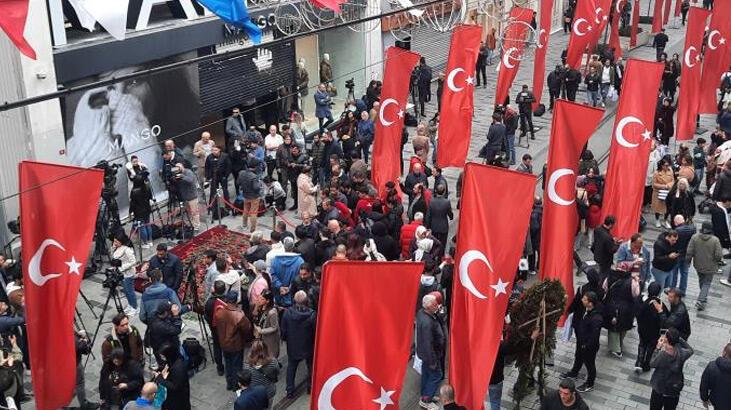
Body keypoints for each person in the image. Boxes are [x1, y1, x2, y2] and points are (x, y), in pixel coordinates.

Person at [561, 291, 603, 392]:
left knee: (590, 365)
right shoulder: (587, 310)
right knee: (579, 357)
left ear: (590, 303)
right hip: (582, 343)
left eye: (584, 299)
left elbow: (594, 336)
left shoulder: (596, 318)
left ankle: (590, 383)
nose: (582, 300)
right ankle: (574, 373)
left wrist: (586, 345)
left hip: (589, 347)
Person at [214, 291, 254, 390]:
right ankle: (236, 384)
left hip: (224, 343)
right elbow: (248, 328)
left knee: (228, 364)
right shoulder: (238, 315)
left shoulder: (219, 312)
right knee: (237, 366)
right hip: (236, 345)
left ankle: (229, 383)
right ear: (236, 301)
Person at [281, 290, 316, 398]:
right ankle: (310, 387)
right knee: (310, 366)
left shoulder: (287, 313)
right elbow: (315, 331)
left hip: (293, 345)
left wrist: (285, 339)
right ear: (306, 301)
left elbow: (284, 330)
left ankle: (290, 390)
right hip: (308, 345)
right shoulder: (312, 314)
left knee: (291, 367)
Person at [649, 328, 694, 410]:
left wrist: (657, 348)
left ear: (666, 339)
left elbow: (652, 363)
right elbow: (691, 350)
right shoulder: (681, 353)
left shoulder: (662, 355)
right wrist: (679, 339)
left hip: (659, 388)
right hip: (674, 388)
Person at [603, 263, 640, 359]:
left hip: (611, 306)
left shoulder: (609, 277)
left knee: (613, 328)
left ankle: (615, 348)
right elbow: (636, 294)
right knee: (623, 326)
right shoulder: (632, 282)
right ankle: (619, 344)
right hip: (626, 308)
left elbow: (604, 289)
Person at [416, 293, 445, 410]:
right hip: (431, 355)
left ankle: (425, 395)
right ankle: (426, 400)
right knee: (437, 375)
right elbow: (428, 343)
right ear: (428, 307)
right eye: (434, 305)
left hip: (424, 354)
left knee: (426, 375)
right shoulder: (428, 323)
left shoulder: (422, 313)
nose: (437, 306)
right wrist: (433, 361)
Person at [687, 221, 723, 311]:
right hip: (710, 266)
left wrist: (688, 261)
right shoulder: (715, 240)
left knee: (702, 281)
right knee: (706, 283)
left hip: (698, 265)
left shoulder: (694, 237)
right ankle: (701, 300)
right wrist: (718, 261)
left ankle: (703, 298)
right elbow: (718, 255)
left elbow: (689, 251)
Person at [154, 342, 191, 410]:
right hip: (173, 398)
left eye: (163, 356)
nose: (162, 358)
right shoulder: (173, 360)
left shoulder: (178, 368)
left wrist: (160, 379)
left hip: (179, 400)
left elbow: (175, 386)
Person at [636, 282, 663, 373]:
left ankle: (639, 362)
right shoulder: (660, 304)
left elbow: (638, 314)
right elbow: (663, 318)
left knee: (642, 344)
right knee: (651, 347)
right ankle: (646, 364)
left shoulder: (642, 300)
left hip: (642, 329)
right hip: (654, 332)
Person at [112, 232, 139, 316]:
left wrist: (122, 267)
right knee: (126, 291)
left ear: (121, 241)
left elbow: (133, 261)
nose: (115, 243)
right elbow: (113, 256)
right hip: (121, 274)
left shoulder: (127, 250)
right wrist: (113, 248)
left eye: (116, 241)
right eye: (114, 241)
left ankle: (135, 307)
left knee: (130, 291)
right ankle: (130, 305)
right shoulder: (116, 248)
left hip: (128, 274)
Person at [204, 281, 227, 376]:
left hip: (215, 328)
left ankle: (220, 367)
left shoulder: (209, 302)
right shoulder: (227, 300)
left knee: (217, 346)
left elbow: (206, 316)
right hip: (226, 328)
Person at [700, 343, 731, 409]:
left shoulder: (712, 366)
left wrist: (704, 399)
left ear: (724, 352)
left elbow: (704, 385)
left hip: (716, 401)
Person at [669, 215, 695, 293]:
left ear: (676, 222)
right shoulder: (692, 228)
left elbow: (673, 243)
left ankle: (672, 289)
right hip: (687, 254)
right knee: (684, 273)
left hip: (677, 254)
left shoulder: (677, 230)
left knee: (674, 273)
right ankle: (682, 290)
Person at [172, 163, 201, 231]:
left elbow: (190, 180)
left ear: (182, 167)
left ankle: (196, 226)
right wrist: (174, 177)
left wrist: (182, 176)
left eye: (179, 167)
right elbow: (176, 183)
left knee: (194, 212)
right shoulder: (176, 174)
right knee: (189, 212)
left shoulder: (188, 172)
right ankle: (191, 224)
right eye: (176, 167)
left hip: (192, 196)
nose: (177, 169)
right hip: (184, 196)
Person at [425, 184, 452, 256]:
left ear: (436, 191)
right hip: (443, 226)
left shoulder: (431, 201)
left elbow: (428, 215)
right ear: (443, 192)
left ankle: (433, 257)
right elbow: (450, 214)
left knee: (434, 243)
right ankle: (440, 258)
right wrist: (451, 216)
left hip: (433, 226)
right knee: (442, 243)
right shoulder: (447, 202)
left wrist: (427, 227)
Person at [238, 158, 263, 233]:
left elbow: (238, 183)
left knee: (245, 211)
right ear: (256, 167)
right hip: (254, 197)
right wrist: (259, 183)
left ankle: (244, 225)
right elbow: (256, 187)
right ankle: (253, 229)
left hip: (245, 195)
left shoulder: (241, 173)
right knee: (253, 213)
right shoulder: (254, 176)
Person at [128, 176, 153, 249]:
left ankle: (145, 243)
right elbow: (150, 197)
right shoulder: (147, 187)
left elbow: (132, 203)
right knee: (148, 224)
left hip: (139, 211)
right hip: (147, 209)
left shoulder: (134, 191)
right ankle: (150, 240)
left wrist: (130, 212)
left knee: (142, 227)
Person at [205, 145, 231, 213]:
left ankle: (228, 206)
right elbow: (207, 167)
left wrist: (226, 176)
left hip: (222, 176)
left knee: (225, 191)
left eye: (215, 150)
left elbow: (228, 166)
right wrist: (208, 177)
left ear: (219, 150)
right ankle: (212, 206)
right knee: (213, 191)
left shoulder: (225, 156)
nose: (214, 152)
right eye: (213, 150)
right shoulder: (209, 157)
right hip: (214, 176)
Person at [592, 216, 619, 280]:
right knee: (604, 273)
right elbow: (612, 250)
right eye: (614, 224)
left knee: (600, 270)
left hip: (597, 254)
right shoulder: (607, 237)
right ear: (610, 224)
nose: (614, 226)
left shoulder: (597, 229)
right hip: (605, 259)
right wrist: (617, 244)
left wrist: (612, 240)